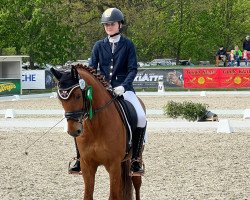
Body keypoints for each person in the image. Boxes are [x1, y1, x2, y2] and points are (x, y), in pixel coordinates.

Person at [69, 8, 147, 176]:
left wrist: (124, 86)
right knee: (77, 116)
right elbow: (91, 69)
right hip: (101, 90)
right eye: (106, 25)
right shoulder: (99, 45)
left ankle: (136, 159)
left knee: (140, 116)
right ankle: (78, 158)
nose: (109, 27)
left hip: (123, 89)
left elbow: (132, 69)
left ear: (120, 25)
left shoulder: (128, 45)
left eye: (112, 24)